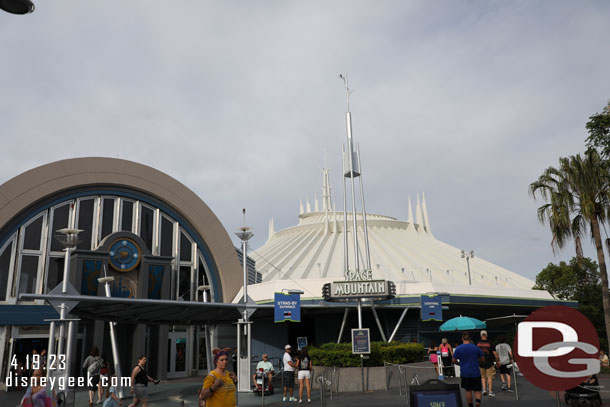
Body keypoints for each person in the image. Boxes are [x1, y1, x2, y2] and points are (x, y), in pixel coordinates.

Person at [453, 332, 484, 407]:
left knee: (468, 390)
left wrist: (459, 364)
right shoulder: (476, 348)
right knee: (477, 390)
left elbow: (453, 360)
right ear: (470, 338)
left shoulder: (458, 348)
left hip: (465, 373)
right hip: (475, 372)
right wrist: (477, 361)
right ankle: (477, 402)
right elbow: (482, 359)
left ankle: (470, 405)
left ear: (462, 339)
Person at [476, 330, 498, 397]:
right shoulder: (490, 342)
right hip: (489, 362)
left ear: (480, 335)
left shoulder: (477, 343)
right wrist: (497, 361)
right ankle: (490, 391)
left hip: (480, 362)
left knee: (483, 377)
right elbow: (495, 353)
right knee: (489, 377)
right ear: (487, 335)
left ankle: (484, 390)